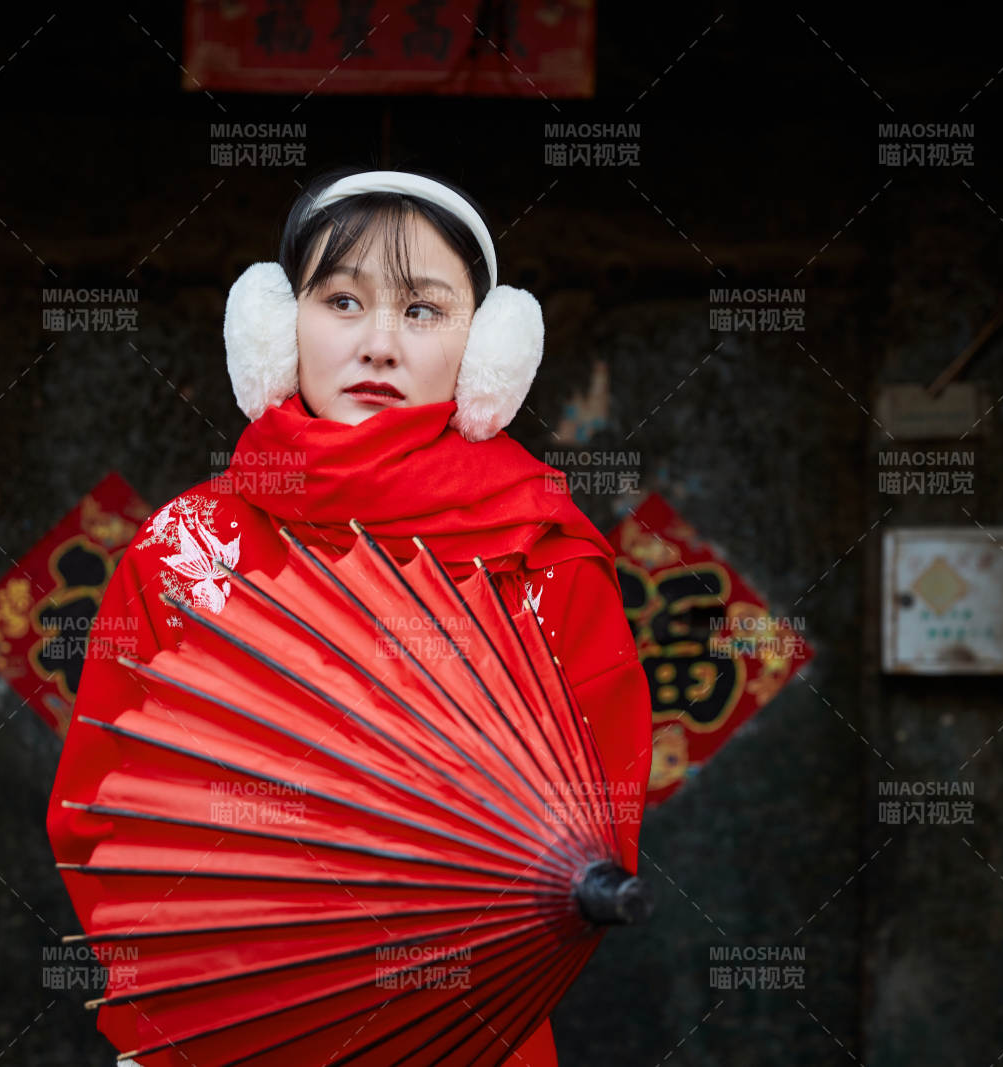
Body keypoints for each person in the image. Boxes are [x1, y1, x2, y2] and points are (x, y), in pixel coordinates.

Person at [47, 165, 653, 1066]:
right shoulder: (186, 547)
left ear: (486, 348)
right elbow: (102, 811)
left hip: (462, 1031)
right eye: (341, 300)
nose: (378, 344)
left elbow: (595, 821)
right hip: (226, 1026)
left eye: (421, 310)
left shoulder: (545, 558)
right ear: (277, 327)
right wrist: (230, 967)